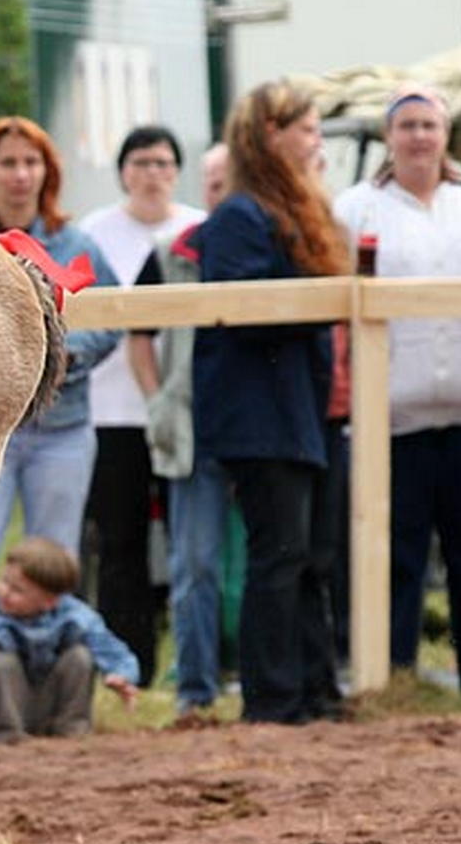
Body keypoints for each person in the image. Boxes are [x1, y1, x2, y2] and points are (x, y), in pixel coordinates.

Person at [333, 84, 461, 699]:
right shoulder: (354, 210)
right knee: (394, 555)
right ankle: (394, 680)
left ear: (446, 134)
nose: (419, 136)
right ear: (388, 137)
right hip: (392, 415)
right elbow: (337, 303)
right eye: (407, 125)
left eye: (429, 124)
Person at [191, 80, 348, 725]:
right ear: (270, 135)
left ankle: (315, 690)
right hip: (260, 415)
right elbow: (246, 312)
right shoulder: (239, 216)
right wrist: (318, 301)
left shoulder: (291, 212)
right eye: (305, 128)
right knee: (279, 553)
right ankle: (273, 697)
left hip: (302, 410)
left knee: (313, 555)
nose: (315, 140)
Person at [0, 116, 122, 592]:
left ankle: (49, 665)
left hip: (61, 427)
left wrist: (62, 355)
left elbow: (112, 318)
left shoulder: (76, 244)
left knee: (53, 561)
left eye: (30, 162)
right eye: (8, 162)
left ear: (46, 172)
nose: (20, 174)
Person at [77, 127, 199, 686]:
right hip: (111, 411)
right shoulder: (93, 232)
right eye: (142, 162)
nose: (153, 173)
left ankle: (194, 657)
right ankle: (132, 664)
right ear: (124, 170)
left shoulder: (196, 229)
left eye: (164, 163)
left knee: (189, 537)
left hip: (182, 412)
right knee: (120, 542)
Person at [146, 144, 239, 714]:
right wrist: (158, 399)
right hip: (194, 426)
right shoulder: (173, 251)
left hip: (254, 426)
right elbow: (134, 330)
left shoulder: (271, 243)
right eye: (211, 181)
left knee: (268, 563)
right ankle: (196, 690)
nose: (217, 191)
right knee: (194, 563)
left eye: (227, 181)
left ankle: (261, 679)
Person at [0, 536, 140, 743]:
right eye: (4, 581)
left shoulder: (75, 616)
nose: (4, 593)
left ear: (49, 601)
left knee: (80, 657)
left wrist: (121, 675)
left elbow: (112, 650)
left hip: (50, 703)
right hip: (9, 708)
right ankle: (7, 739)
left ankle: (71, 734)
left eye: (18, 590)